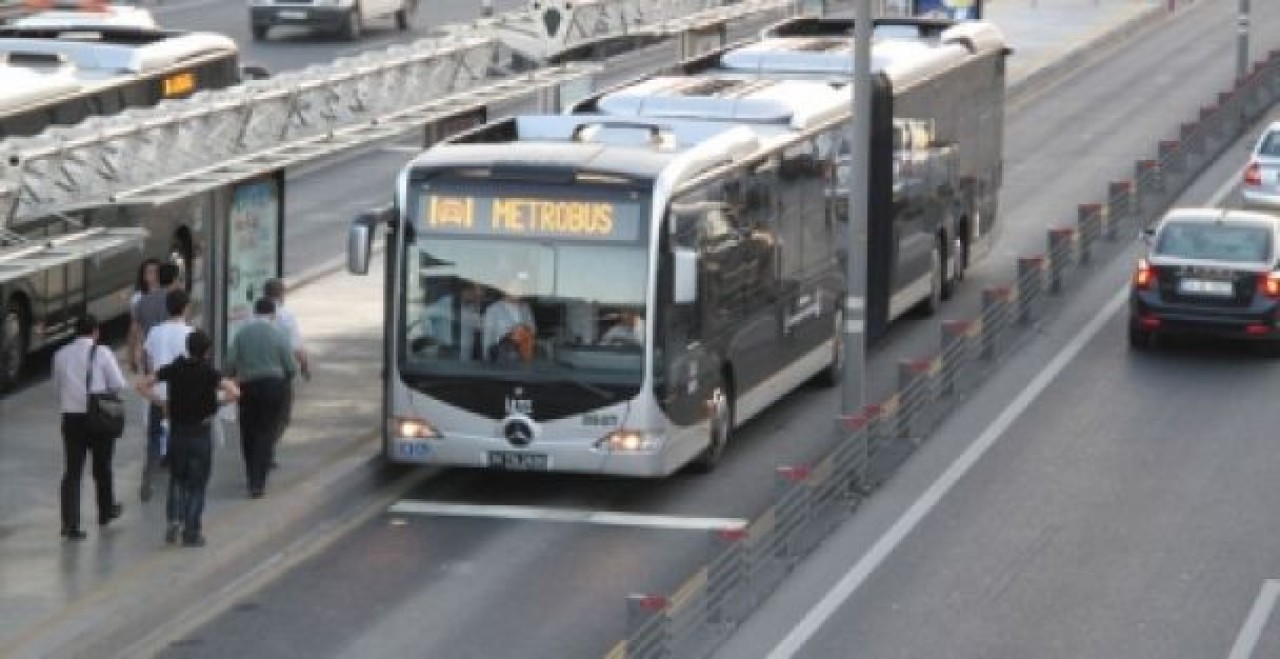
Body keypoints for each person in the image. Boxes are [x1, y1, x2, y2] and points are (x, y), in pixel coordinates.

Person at [137, 330, 239, 548]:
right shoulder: (209, 373)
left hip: (177, 433)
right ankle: (191, 532)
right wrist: (217, 405)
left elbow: (142, 385)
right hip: (200, 434)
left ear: (188, 346)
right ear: (207, 351)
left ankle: (173, 520)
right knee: (197, 485)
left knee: (177, 479)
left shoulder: (175, 368)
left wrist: (161, 403)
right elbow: (234, 392)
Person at [52, 315, 127, 540]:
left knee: (73, 472)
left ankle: (70, 524)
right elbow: (118, 384)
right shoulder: (102, 353)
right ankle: (105, 510)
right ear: (95, 332)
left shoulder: (60, 355)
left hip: (72, 418)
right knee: (102, 466)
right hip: (99, 416)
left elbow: (57, 388)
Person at [225, 298, 296, 498]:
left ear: (255, 312)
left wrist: (233, 376)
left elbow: (229, 362)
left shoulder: (242, 334)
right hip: (273, 387)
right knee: (266, 432)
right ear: (273, 314)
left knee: (248, 431)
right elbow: (291, 367)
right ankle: (259, 481)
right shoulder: (278, 335)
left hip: (249, 387)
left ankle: (251, 475)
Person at [139, 288, 194, 500]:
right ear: (186, 308)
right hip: (181, 396)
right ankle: (177, 479)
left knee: (154, 436)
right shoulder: (190, 333)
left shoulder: (155, 332)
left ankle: (148, 476)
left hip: (157, 394)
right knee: (180, 437)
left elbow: (149, 360)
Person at [133, 262, 182, 501]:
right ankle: (171, 463)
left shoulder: (142, 302)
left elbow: (140, 336)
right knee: (176, 424)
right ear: (174, 279)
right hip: (176, 375)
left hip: (154, 370)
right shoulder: (176, 301)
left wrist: (141, 363)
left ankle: (148, 472)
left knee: (154, 427)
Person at [263, 278, 309, 461]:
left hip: (253, 374)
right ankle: (268, 446)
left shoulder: (253, 313)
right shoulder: (286, 316)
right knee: (282, 415)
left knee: (261, 416)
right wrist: (304, 366)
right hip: (279, 375)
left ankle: (263, 447)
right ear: (282, 295)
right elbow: (296, 347)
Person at [482, 277, 536, 362]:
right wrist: (487, 359)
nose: (518, 291)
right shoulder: (493, 309)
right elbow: (487, 338)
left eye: (520, 288)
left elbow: (533, 329)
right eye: (514, 287)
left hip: (523, 359)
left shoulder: (525, 308)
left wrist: (523, 329)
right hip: (501, 361)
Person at [126, 258, 161, 374]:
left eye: (156, 272)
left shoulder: (168, 294)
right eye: (149, 272)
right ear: (143, 276)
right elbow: (134, 328)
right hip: (149, 349)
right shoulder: (138, 299)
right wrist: (131, 357)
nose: (154, 276)